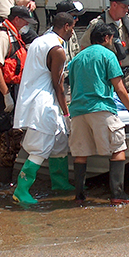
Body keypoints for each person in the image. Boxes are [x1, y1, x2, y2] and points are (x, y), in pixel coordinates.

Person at [69, 23, 129, 205]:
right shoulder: (108, 55)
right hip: (100, 108)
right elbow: (119, 87)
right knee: (118, 148)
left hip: (77, 111)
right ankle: (118, 194)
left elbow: (71, 85)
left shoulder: (77, 58)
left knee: (81, 152)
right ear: (107, 38)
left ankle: (79, 196)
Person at [12, 12, 76, 205]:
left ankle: (60, 182)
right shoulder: (57, 49)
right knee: (40, 148)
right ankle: (21, 190)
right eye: (72, 28)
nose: (73, 32)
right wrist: (66, 113)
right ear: (66, 26)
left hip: (33, 96)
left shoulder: (41, 40)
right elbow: (58, 85)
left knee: (59, 142)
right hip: (44, 102)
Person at [0, 6, 37, 187]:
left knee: (3, 137)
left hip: (4, 91)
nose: (27, 25)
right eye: (25, 21)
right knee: (9, 138)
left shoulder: (13, 34)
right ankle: (3, 184)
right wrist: (6, 95)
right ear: (17, 19)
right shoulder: (2, 36)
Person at [79, 0, 129, 92]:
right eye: (124, 6)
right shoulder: (97, 24)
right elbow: (84, 48)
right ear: (114, 5)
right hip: (108, 76)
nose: (127, 10)